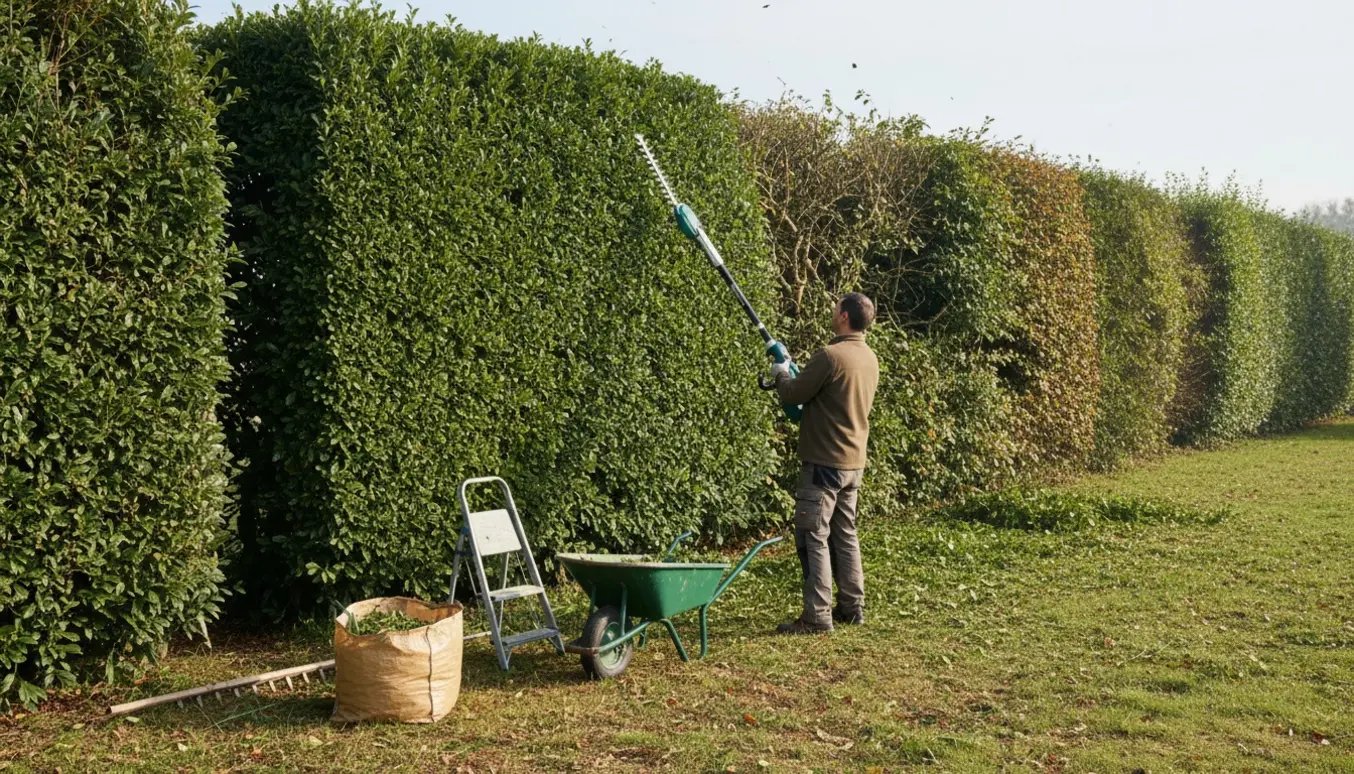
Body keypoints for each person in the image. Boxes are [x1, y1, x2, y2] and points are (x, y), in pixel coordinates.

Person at [770, 292, 879, 635]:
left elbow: (793, 394)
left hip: (823, 462)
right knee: (845, 534)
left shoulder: (830, 356)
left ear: (845, 316)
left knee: (812, 535)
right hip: (853, 463)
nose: (833, 313)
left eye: (836, 309)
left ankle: (817, 617)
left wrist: (779, 373)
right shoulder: (869, 358)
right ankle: (852, 606)